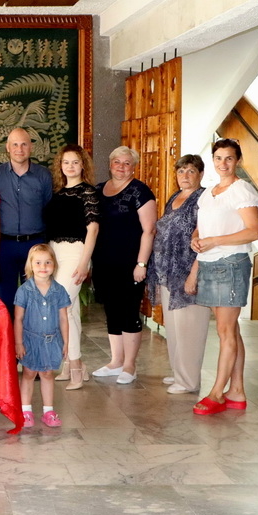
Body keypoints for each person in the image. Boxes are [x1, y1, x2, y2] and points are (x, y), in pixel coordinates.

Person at [191, 139, 258, 415]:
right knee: (231, 330)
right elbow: (202, 227)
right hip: (210, 263)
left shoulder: (241, 190)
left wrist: (214, 241)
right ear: (213, 160)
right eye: (219, 158)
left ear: (238, 160)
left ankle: (217, 393)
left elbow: (253, 231)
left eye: (229, 158)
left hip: (231, 264)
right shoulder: (209, 192)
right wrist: (197, 239)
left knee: (225, 331)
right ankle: (237, 391)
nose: (223, 163)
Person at [91, 146, 157, 385]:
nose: (121, 166)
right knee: (112, 310)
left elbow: (149, 230)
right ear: (110, 164)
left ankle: (130, 365)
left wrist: (141, 263)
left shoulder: (140, 191)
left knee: (128, 311)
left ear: (134, 167)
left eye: (127, 163)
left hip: (130, 263)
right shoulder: (98, 189)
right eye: (117, 162)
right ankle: (116, 361)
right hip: (104, 261)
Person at [148, 154, 209, 395]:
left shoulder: (204, 199)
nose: (185, 175)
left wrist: (194, 274)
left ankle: (188, 381)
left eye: (191, 171)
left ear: (200, 174)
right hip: (168, 273)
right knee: (174, 327)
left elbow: (204, 237)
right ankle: (178, 373)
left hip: (188, 272)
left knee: (190, 329)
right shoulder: (175, 197)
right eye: (181, 171)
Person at [44, 144, 99, 390]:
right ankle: (71, 364)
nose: (70, 166)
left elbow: (93, 229)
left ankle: (75, 367)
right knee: (71, 311)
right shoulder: (57, 192)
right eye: (66, 162)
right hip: (55, 255)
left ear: (83, 165)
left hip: (76, 254)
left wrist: (84, 262)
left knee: (62, 309)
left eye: (75, 162)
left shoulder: (87, 192)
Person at [0, 128, 53, 307]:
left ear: (31, 147)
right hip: (5, 245)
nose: (19, 149)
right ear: (7, 147)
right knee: (6, 299)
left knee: (35, 299)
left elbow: (48, 209)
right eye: (15, 144)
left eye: (24, 144)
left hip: (34, 245)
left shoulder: (44, 175)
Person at [14, 244, 70, 428]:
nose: (43, 267)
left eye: (47, 262)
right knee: (29, 373)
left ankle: (48, 411)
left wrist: (65, 342)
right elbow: (18, 319)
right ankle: (25, 410)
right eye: (38, 262)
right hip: (30, 340)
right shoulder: (24, 291)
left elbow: (63, 318)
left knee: (47, 373)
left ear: (54, 265)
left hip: (52, 340)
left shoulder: (59, 291)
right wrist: (18, 343)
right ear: (30, 265)